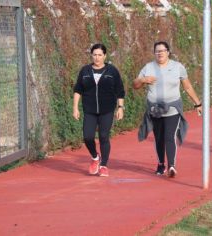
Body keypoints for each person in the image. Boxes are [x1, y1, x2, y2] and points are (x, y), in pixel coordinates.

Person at [133, 41, 202, 178]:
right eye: (157, 51)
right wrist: (143, 80)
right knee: (159, 138)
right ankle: (160, 163)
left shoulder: (177, 67)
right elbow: (135, 84)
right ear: (154, 53)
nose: (160, 53)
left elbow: (187, 87)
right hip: (155, 109)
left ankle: (172, 166)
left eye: (162, 51)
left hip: (172, 108)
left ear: (168, 52)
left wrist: (198, 104)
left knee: (169, 136)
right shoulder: (148, 67)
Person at [73, 43, 125, 177]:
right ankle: (95, 157)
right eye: (94, 55)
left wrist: (120, 108)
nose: (97, 58)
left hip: (107, 110)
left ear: (105, 56)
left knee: (103, 136)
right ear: (91, 55)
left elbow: (120, 90)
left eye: (100, 55)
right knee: (87, 137)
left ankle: (104, 165)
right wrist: (75, 108)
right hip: (89, 110)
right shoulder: (85, 71)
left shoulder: (112, 71)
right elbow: (78, 90)